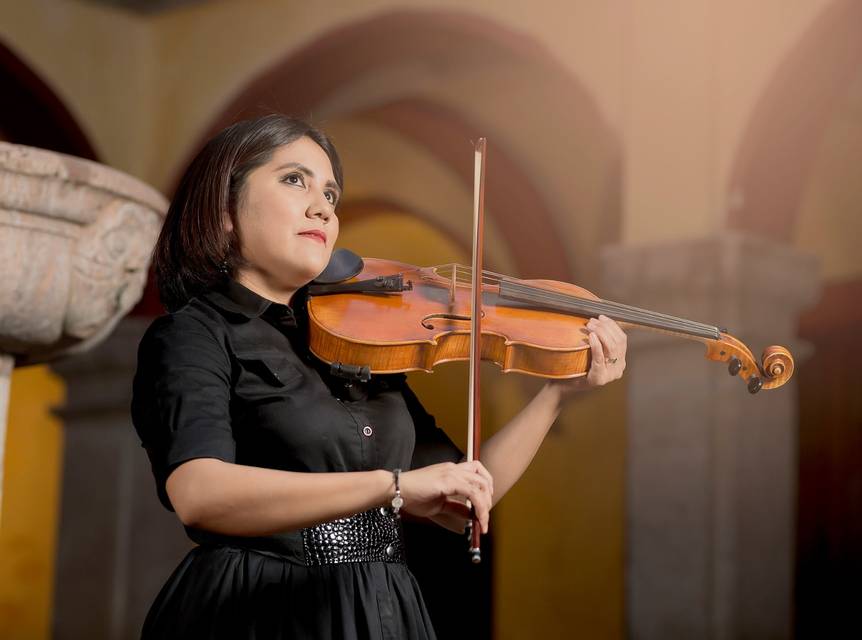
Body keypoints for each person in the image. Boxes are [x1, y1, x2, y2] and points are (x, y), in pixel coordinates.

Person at [131, 113, 627, 639]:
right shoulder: (193, 335)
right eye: (294, 180)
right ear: (225, 209)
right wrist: (392, 487)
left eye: (331, 194)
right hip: (261, 610)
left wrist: (556, 392)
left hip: (378, 604)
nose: (322, 206)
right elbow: (200, 493)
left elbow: (462, 503)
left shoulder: (353, 336)